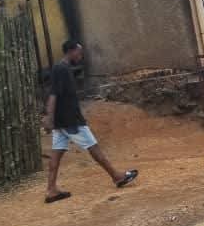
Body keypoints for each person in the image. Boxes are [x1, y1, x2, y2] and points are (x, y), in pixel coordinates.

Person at [43, 40, 138, 203]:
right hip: (71, 120)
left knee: (56, 154)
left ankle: (51, 189)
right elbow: (53, 94)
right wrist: (49, 117)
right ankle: (116, 176)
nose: (81, 55)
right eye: (79, 52)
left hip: (62, 121)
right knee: (93, 147)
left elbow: (56, 94)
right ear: (70, 51)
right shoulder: (61, 69)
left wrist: (53, 119)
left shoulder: (62, 68)